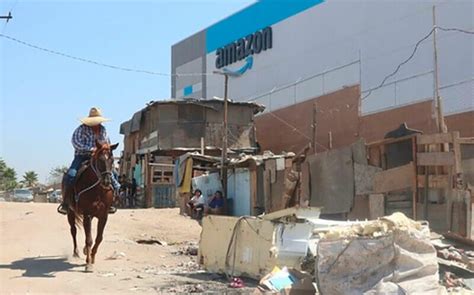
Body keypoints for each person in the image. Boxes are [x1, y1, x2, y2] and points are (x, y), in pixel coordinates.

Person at [58, 107, 120, 215]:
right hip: (82, 156)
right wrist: (91, 149)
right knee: (71, 175)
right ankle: (66, 203)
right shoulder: (81, 129)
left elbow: (106, 142)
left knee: (112, 174)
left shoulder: (103, 130)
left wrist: (105, 149)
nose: (97, 123)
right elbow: (75, 142)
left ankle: (111, 201)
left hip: (99, 158)